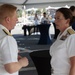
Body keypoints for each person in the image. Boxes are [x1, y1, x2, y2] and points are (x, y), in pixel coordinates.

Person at [0, 4, 29, 75]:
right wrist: (22, 63)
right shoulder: (7, 38)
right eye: (15, 17)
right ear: (8, 19)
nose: (17, 20)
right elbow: (11, 68)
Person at [49, 8, 75, 75]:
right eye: (55, 18)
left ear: (67, 21)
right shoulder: (62, 35)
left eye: (58, 18)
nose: (55, 21)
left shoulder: (72, 37)